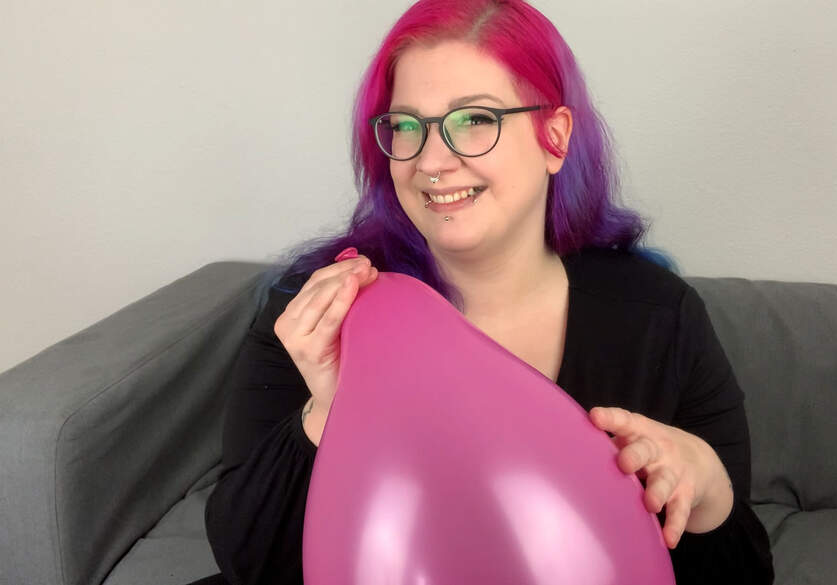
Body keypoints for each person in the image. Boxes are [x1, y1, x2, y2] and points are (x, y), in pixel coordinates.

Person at [197, 1, 775, 583]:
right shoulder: (317, 315)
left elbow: (746, 573)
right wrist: (329, 411)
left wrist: (708, 488)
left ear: (554, 138)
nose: (431, 161)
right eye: (406, 126)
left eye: (474, 119)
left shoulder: (661, 318)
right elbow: (247, 563)